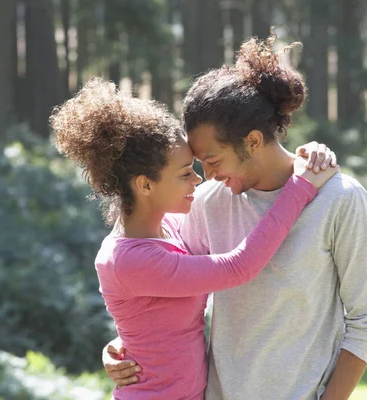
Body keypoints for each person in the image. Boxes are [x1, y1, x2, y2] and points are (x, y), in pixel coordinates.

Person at [102, 35, 367, 400]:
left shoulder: (340, 200)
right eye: (198, 163)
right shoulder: (206, 204)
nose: (205, 176)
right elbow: (159, 292)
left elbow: (366, 321)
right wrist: (121, 347)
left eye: (213, 160)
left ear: (252, 141)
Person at [51, 76, 338, 400]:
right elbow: (237, 268)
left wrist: (127, 342)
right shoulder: (128, 259)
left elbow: (153, 320)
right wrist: (301, 187)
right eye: (185, 172)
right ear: (145, 185)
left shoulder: (170, 229)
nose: (198, 179)